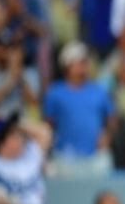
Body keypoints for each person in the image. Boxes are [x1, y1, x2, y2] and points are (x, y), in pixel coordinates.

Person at [42, 41, 115, 174]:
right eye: (79, 61)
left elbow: (111, 118)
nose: (84, 65)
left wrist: (106, 135)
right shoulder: (54, 92)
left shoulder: (99, 90)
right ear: (67, 65)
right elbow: (47, 124)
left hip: (94, 157)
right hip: (64, 157)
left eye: (85, 61)